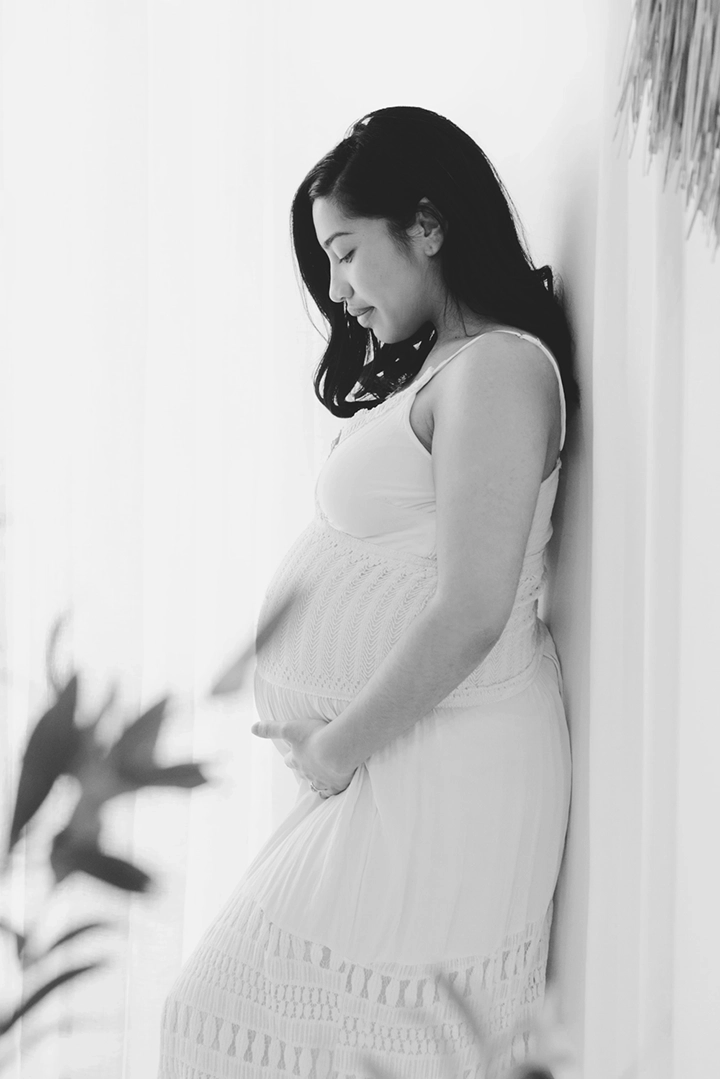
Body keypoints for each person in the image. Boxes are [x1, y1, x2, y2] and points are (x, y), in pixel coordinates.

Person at [158, 105, 577, 1079]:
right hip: (409, 761)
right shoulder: (450, 364)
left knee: (215, 1019)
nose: (338, 290)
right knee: (226, 1028)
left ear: (426, 225)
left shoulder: (503, 369)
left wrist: (337, 746)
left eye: (347, 252)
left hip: (446, 769)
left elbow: (474, 609)